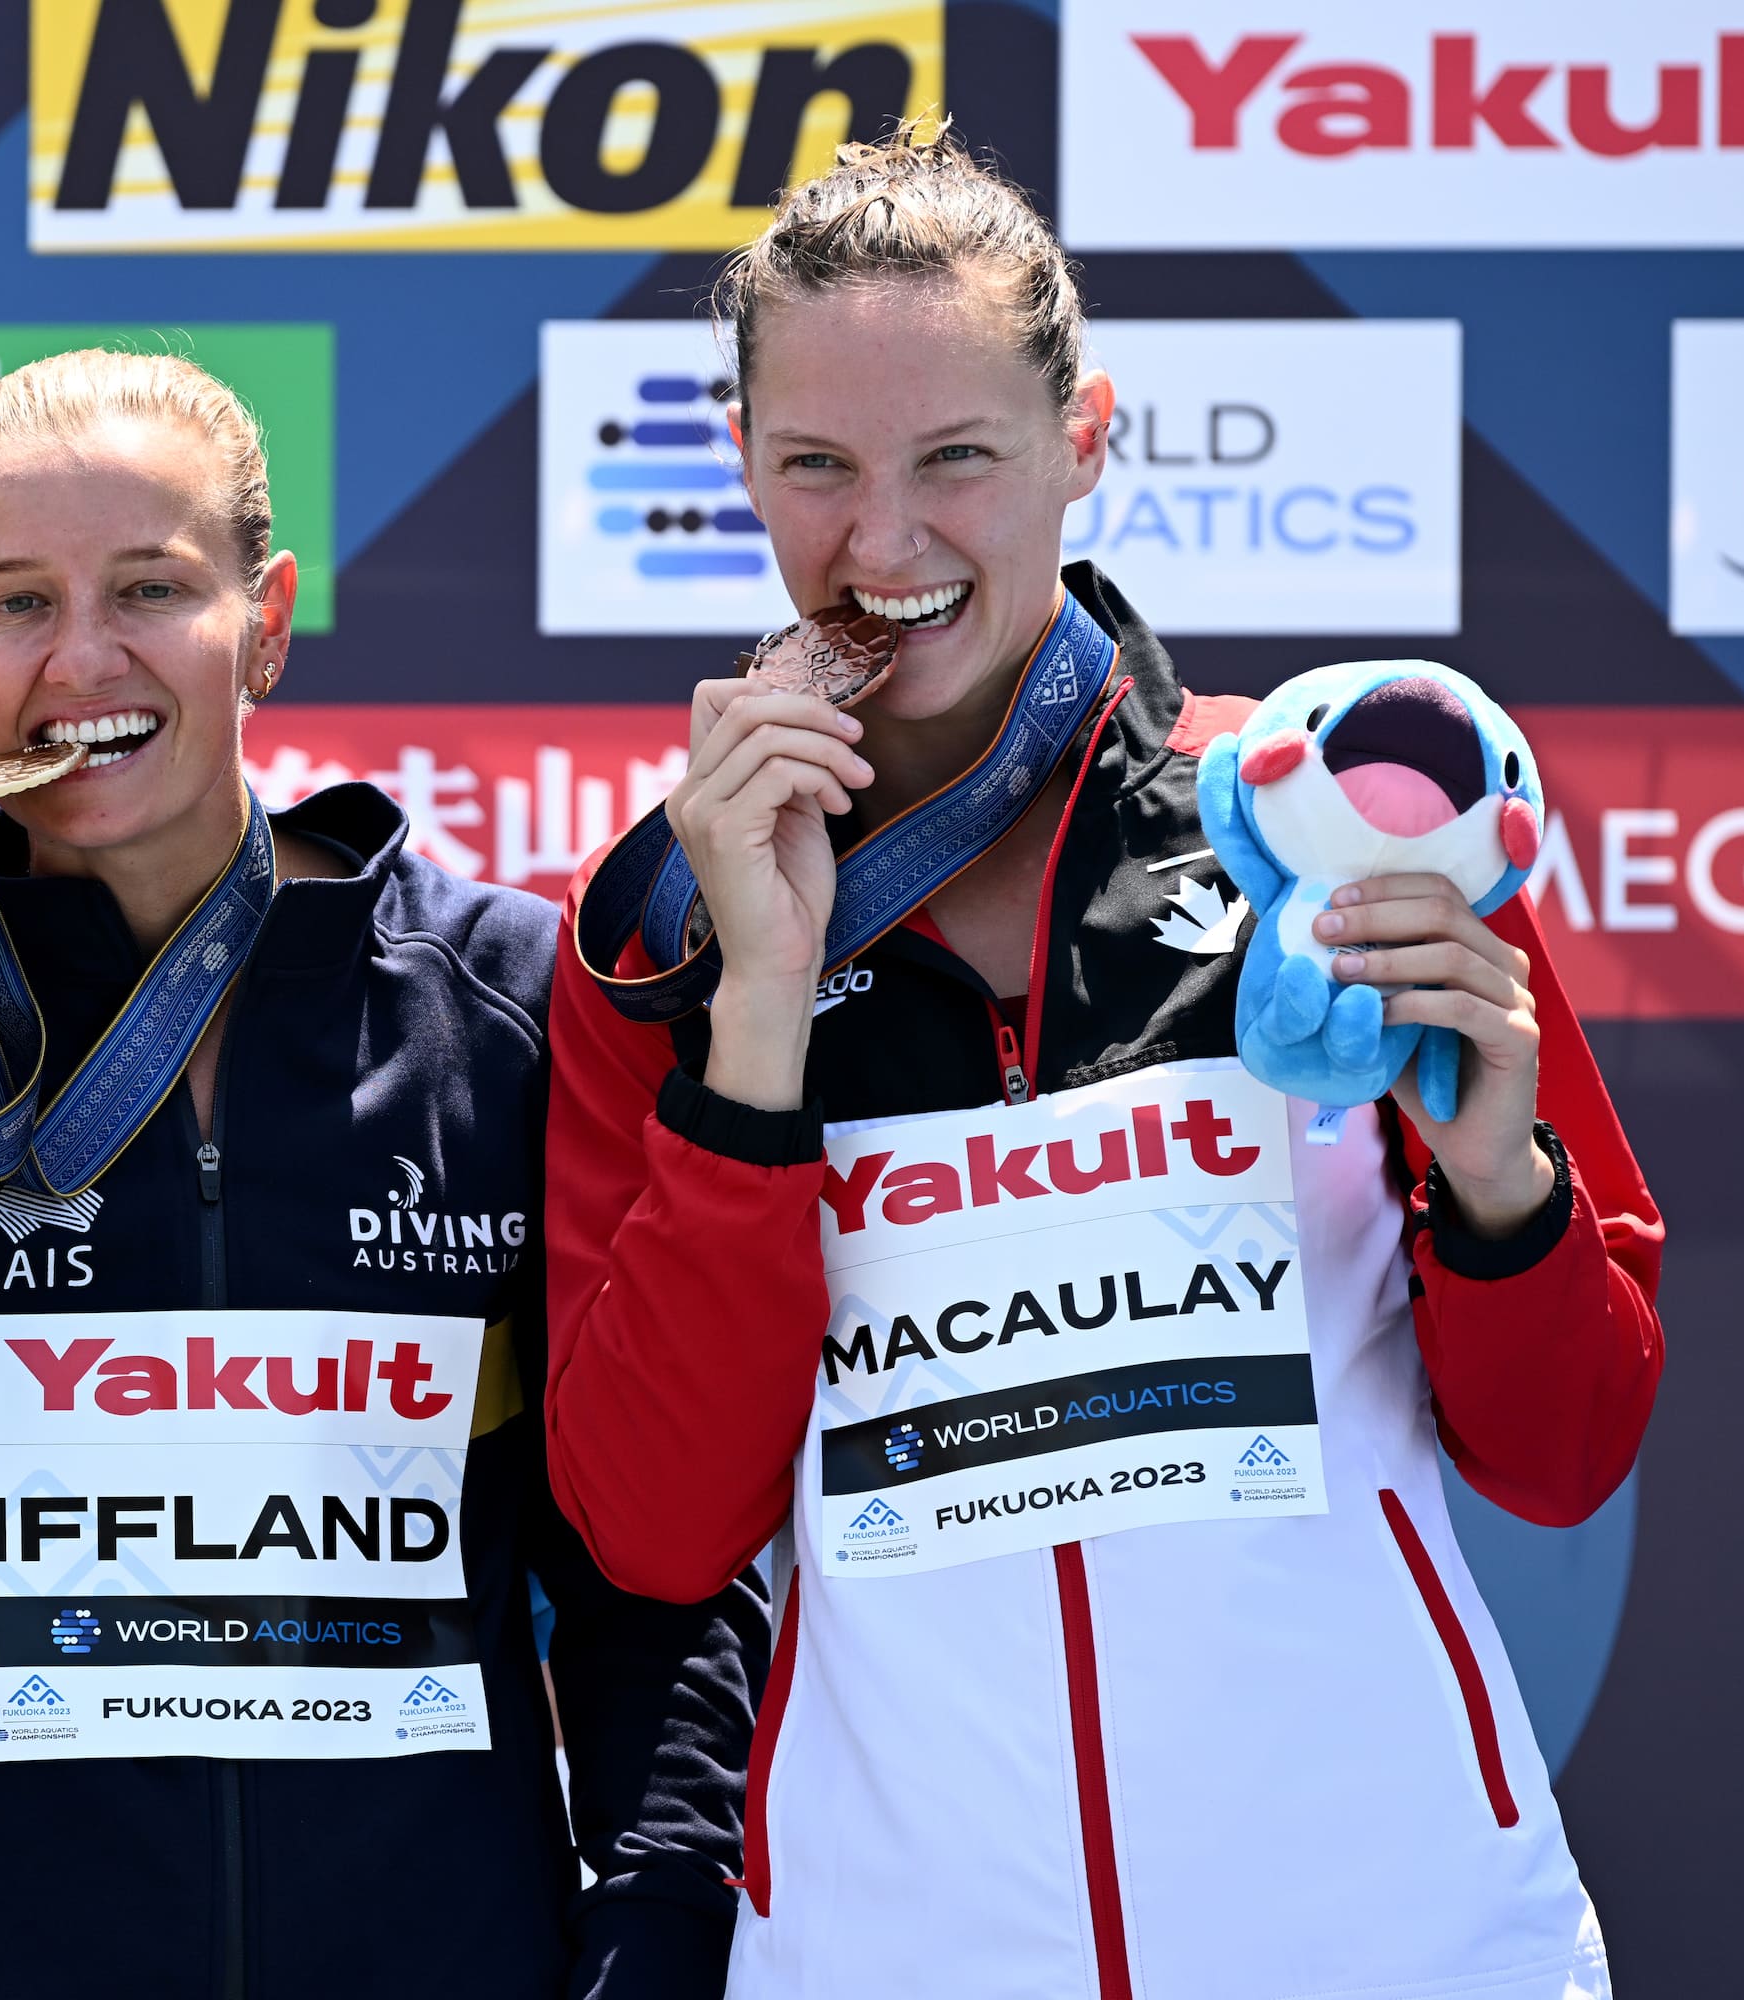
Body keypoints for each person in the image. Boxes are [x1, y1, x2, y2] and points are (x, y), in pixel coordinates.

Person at [545, 131, 1662, 2000]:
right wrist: (757, 1024)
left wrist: (1499, 1190)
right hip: (892, 1957)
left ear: (1086, 440)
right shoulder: (669, 940)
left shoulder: (1332, 838)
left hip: (1397, 1945)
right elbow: (656, 1540)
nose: (880, 545)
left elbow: (1568, 1455)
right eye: (815, 464)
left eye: (955, 461)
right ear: (739, 455)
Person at [0, 349, 764, 1997]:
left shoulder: (515, 1008)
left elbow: (645, 1555)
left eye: (152, 588)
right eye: (17, 602)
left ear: (269, 618)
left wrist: (660, 1914)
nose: (83, 658)